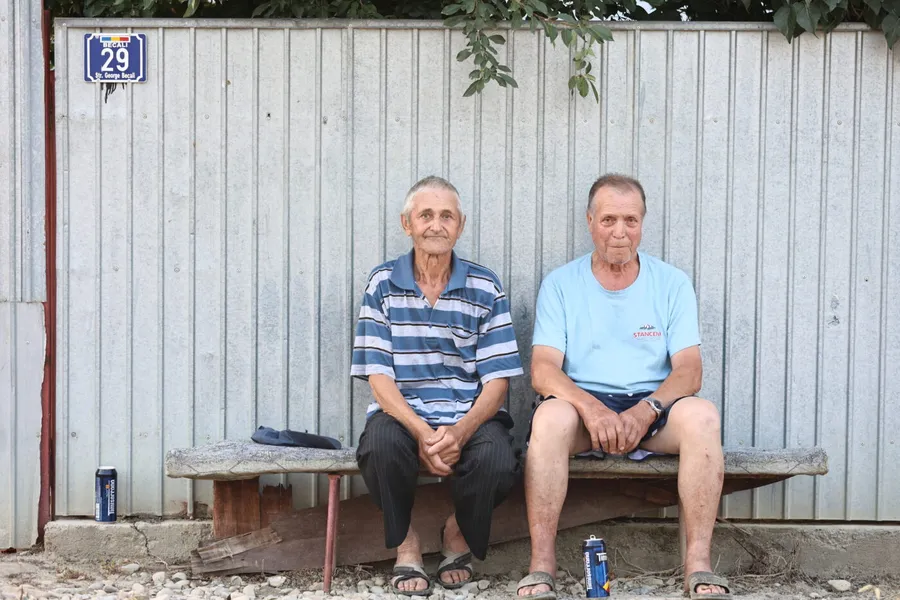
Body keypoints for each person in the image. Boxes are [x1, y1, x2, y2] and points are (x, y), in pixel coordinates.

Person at [516, 174, 731, 600]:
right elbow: (543, 370)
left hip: (653, 406)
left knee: (704, 417)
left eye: (630, 220)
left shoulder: (671, 282)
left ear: (642, 223)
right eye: (608, 219)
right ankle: (541, 566)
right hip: (582, 406)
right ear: (590, 222)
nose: (620, 232)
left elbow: (689, 372)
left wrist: (647, 409)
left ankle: (699, 565)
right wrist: (592, 409)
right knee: (549, 419)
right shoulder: (561, 283)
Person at [351, 175, 524, 596]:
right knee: (379, 446)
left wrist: (459, 432)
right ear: (406, 223)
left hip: (468, 415)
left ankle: (457, 533)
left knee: (500, 459)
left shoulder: (485, 286)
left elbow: (497, 382)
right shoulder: (382, 284)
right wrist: (423, 434)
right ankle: (406, 543)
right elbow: (379, 379)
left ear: (460, 226)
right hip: (403, 415)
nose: (436, 225)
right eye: (425, 215)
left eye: (447, 216)